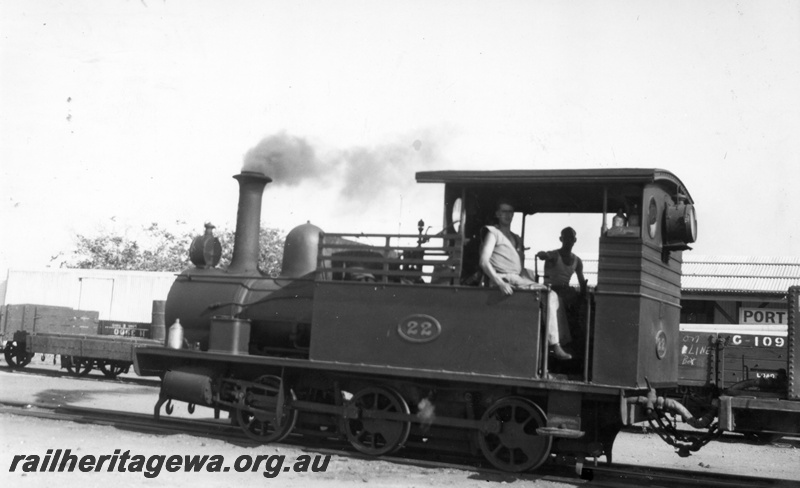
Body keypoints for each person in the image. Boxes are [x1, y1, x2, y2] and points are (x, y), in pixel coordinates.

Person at [478, 200, 572, 360]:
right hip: (503, 278)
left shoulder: (515, 237)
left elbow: (519, 267)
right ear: (497, 214)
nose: (508, 215)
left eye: (511, 212)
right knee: (551, 296)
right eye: (504, 211)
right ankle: (555, 345)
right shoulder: (493, 233)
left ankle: (561, 342)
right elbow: (483, 261)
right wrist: (500, 283)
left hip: (517, 278)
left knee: (555, 297)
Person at [536, 227, 588, 359]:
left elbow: (582, 283)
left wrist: (582, 297)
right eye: (566, 238)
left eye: (571, 238)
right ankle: (559, 344)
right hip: (552, 290)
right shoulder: (554, 255)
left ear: (575, 240)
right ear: (561, 239)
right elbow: (546, 255)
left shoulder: (577, 261)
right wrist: (543, 255)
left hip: (566, 292)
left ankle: (574, 347)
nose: (569, 241)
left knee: (581, 312)